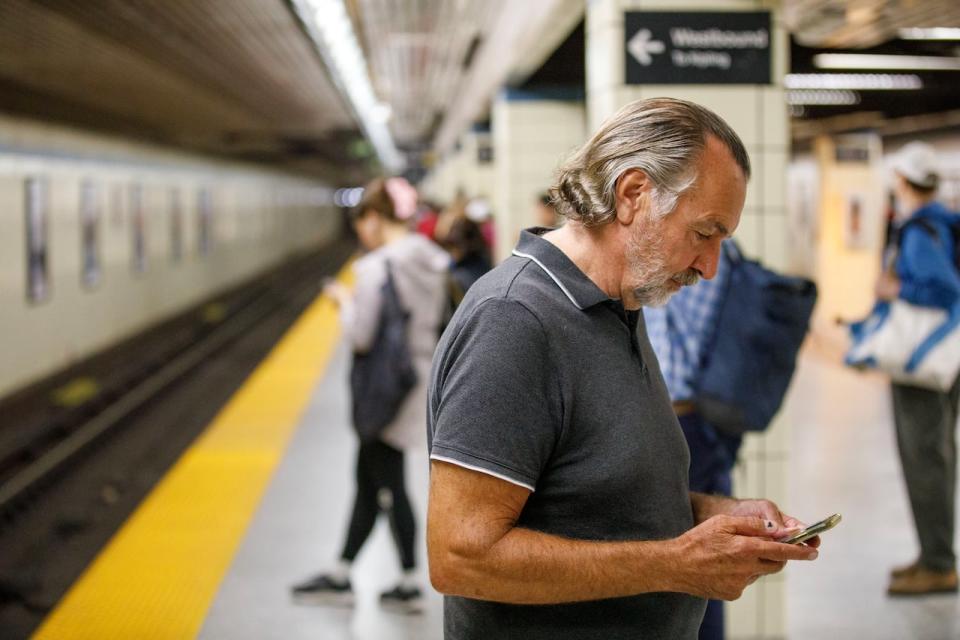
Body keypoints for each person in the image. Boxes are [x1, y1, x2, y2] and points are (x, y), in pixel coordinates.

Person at [426, 97, 820, 639]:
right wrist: (674, 563)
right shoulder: (515, 322)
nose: (709, 267)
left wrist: (718, 515)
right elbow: (460, 556)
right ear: (634, 194)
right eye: (704, 234)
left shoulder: (619, 307)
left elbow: (598, 500)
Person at [292, 177, 450, 614]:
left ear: (376, 218)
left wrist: (344, 302)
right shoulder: (430, 259)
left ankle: (407, 580)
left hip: (383, 387)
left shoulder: (376, 267)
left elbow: (361, 338)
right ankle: (342, 572)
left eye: (363, 223)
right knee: (370, 477)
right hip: (415, 375)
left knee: (389, 482)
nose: (362, 232)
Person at [645, 240, 741, 640]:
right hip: (711, 421)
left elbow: (664, 348)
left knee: (697, 559)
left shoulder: (674, 258)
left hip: (677, 419)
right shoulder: (728, 256)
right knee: (709, 554)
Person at [878, 141, 960, 596]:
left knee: (925, 460)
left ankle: (938, 562)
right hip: (943, 360)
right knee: (935, 456)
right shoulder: (945, 223)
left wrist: (896, 288)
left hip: (922, 364)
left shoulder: (919, 230)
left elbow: (943, 289)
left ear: (905, 182)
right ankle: (933, 554)